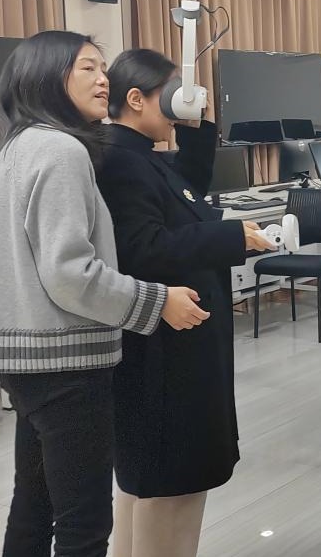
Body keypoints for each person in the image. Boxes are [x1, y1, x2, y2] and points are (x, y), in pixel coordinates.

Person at [0, 31, 208, 557]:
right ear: (46, 76)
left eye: (103, 68)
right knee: (84, 524)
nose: (103, 80)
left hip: (24, 360)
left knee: (33, 509)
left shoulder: (14, 146)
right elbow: (71, 274)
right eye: (87, 68)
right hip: (64, 362)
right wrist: (157, 302)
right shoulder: (60, 150)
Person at [95, 49, 275, 557]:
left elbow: (186, 190)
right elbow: (142, 247)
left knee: (151, 485)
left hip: (177, 345)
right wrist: (232, 236)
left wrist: (195, 122)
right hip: (162, 351)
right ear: (136, 99)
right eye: (171, 92)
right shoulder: (121, 161)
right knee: (170, 484)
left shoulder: (140, 155)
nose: (180, 101)